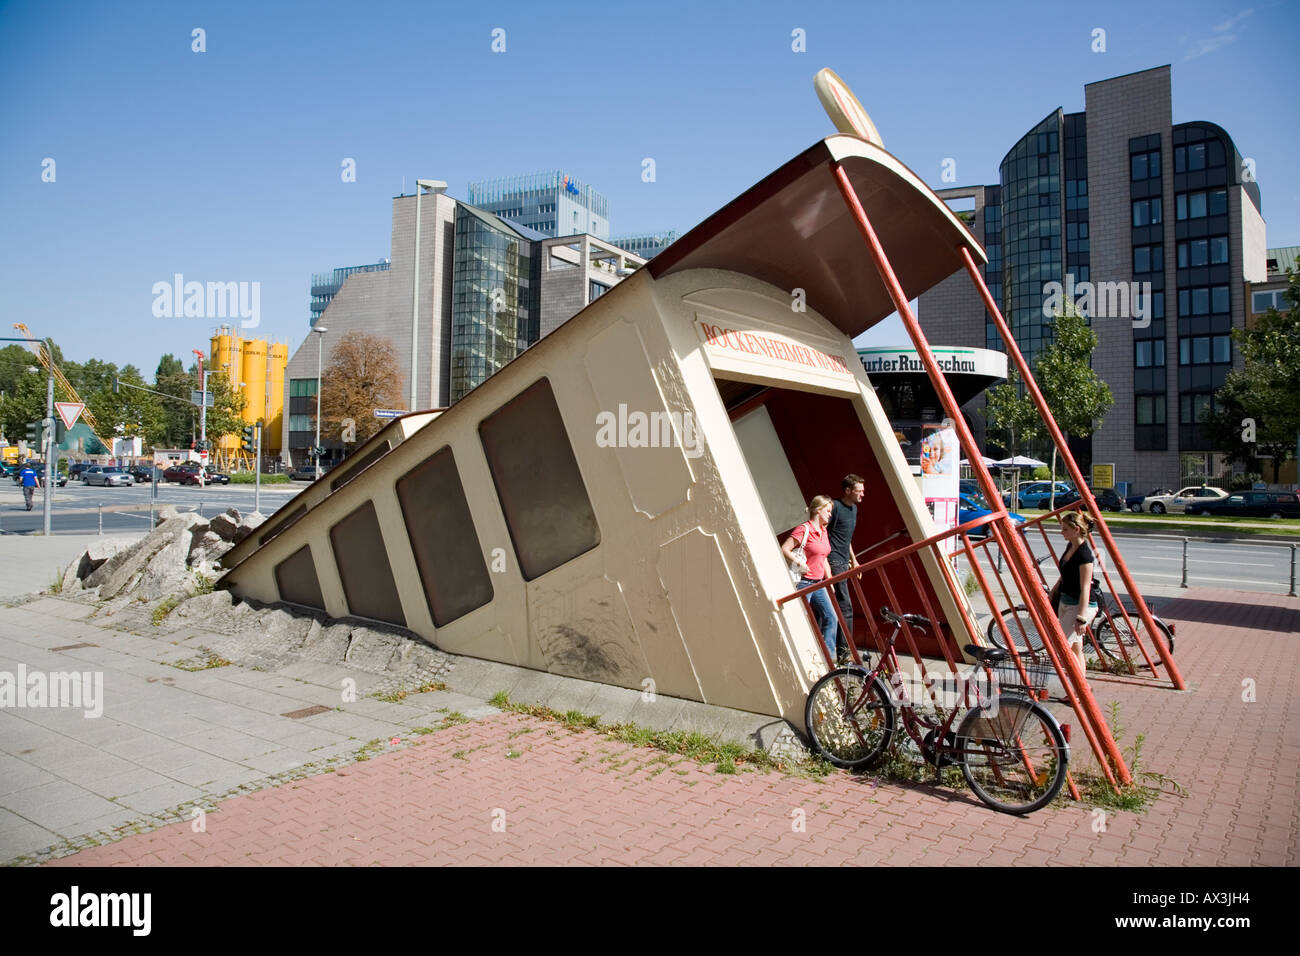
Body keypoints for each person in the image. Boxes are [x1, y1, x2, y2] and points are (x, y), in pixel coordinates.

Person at [782, 495, 838, 662]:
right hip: (804, 582)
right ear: (818, 510)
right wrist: (799, 562)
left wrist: (830, 581)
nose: (830, 514)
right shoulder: (804, 529)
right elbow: (785, 548)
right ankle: (796, 653)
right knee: (801, 619)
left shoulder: (823, 531)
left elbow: (824, 557)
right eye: (828, 511)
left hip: (819, 583)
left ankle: (829, 657)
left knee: (831, 617)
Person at [1048, 511, 1098, 673]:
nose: (1062, 533)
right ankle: (1081, 689)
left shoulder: (1084, 556)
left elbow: (1085, 588)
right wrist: (1053, 592)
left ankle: (1076, 688)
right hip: (1065, 601)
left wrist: (1081, 618)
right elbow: (1064, 575)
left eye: (1065, 529)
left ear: (1076, 529)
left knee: (1061, 644)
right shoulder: (1070, 546)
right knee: (1076, 647)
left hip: (1080, 605)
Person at [826, 474, 865, 664]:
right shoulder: (835, 507)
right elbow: (825, 533)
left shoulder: (854, 509)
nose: (862, 495)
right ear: (848, 491)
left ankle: (841, 649)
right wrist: (828, 561)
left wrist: (854, 561)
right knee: (845, 606)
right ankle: (844, 652)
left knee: (837, 606)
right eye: (859, 491)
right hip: (834, 561)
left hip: (843, 561)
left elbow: (847, 539)